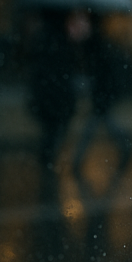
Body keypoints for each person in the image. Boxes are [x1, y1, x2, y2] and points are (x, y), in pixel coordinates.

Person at [72, 11, 132, 189]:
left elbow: (98, 71)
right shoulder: (99, 43)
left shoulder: (94, 44)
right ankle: (125, 147)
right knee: (105, 122)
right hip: (104, 92)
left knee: (96, 124)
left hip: (102, 92)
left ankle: (78, 159)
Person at [26, 9, 80, 174]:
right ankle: (47, 160)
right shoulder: (60, 39)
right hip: (56, 94)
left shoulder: (42, 38)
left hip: (46, 93)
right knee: (55, 129)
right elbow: (66, 68)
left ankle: (47, 160)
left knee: (50, 129)